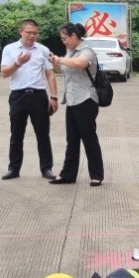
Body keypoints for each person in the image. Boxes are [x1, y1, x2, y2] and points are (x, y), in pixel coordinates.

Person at [0, 18, 57, 180]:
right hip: (18, 96)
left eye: (35, 33)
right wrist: (18, 62)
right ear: (21, 32)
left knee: (43, 134)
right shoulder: (10, 49)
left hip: (38, 96)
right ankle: (13, 168)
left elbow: (50, 75)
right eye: (29, 33)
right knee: (16, 134)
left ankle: (46, 168)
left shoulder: (43, 50)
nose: (32, 36)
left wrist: (53, 97)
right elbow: (4, 73)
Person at [48, 22, 103, 187]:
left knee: (89, 138)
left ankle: (96, 175)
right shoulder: (69, 52)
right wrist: (54, 62)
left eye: (65, 38)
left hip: (86, 99)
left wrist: (60, 59)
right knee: (71, 140)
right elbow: (63, 70)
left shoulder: (87, 51)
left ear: (74, 36)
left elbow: (80, 64)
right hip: (71, 100)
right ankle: (68, 174)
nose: (63, 41)